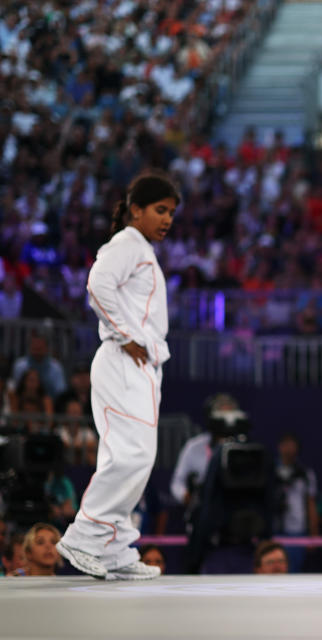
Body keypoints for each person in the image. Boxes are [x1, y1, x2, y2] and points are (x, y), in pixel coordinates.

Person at [57, 172, 180, 581]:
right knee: (130, 455)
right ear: (136, 210)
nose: (167, 219)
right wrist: (125, 335)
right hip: (123, 360)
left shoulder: (141, 248)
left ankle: (113, 547)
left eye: (171, 213)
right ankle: (84, 536)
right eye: (160, 210)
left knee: (136, 458)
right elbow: (97, 284)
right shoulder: (128, 244)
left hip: (140, 365)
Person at [274, 433, 319, 573]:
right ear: (279, 447)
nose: (288, 449)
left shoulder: (305, 474)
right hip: (275, 529)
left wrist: (314, 533)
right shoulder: (270, 471)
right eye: (285, 445)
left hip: (297, 531)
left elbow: (311, 503)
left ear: (297, 449)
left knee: (294, 570)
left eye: (292, 445)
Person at [10, 333, 67, 399]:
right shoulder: (20, 365)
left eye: (40, 349)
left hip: (51, 405)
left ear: (47, 349)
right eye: (35, 349)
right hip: (23, 404)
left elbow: (61, 392)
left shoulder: (56, 367)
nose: (37, 352)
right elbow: (16, 390)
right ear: (29, 348)